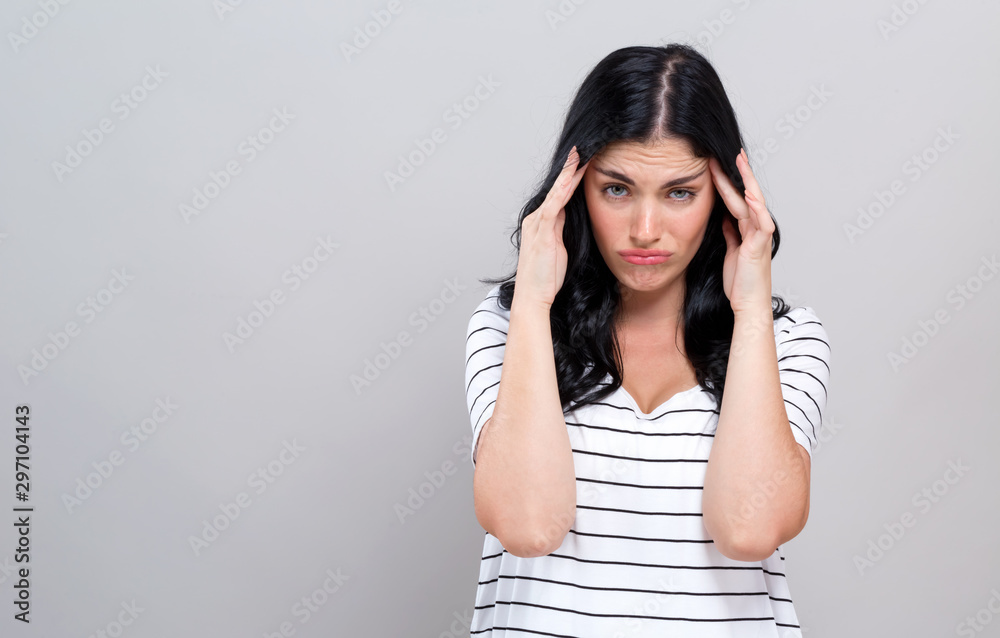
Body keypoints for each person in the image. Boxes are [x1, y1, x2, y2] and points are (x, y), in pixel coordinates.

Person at [463, 43, 831, 637]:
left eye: (680, 192)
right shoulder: (508, 328)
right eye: (617, 189)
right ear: (574, 188)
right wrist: (533, 303)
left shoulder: (787, 341)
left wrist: (752, 312)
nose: (645, 230)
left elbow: (750, 528)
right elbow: (528, 525)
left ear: (726, 196)